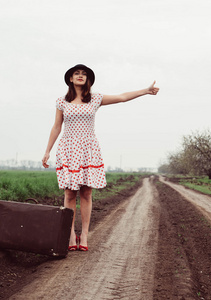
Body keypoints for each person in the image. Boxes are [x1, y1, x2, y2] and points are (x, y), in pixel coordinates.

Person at [42, 64, 159, 251]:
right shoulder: (62, 102)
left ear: (88, 80)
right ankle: (71, 235)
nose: (80, 76)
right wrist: (47, 150)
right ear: (70, 79)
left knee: (87, 192)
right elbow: (56, 127)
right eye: (76, 74)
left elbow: (122, 97)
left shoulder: (95, 99)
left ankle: (85, 235)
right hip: (69, 148)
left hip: (89, 148)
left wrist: (145, 91)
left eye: (84, 74)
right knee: (69, 193)